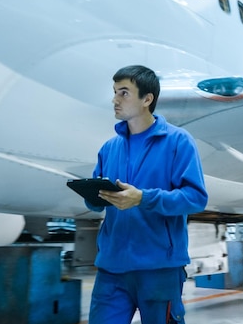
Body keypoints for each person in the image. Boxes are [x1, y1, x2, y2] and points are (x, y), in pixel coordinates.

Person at [86, 65, 208, 324]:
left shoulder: (178, 142)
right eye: (115, 92)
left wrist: (143, 198)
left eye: (124, 93)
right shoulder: (109, 148)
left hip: (159, 269)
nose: (115, 100)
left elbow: (196, 198)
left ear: (147, 99)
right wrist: (93, 195)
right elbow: (96, 201)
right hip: (112, 268)